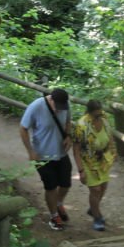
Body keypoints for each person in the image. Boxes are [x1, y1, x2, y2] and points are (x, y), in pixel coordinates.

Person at [20, 88, 73, 231]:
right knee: (51, 187)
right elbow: (23, 128)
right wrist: (30, 151)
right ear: (51, 100)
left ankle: (59, 203)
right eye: (58, 106)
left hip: (61, 153)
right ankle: (54, 216)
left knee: (66, 184)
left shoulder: (66, 105)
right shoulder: (36, 107)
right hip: (42, 156)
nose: (60, 110)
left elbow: (68, 122)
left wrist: (68, 136)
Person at [72, 99, 116, 231]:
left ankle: (93, 208)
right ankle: (97, 217)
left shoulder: (104, 119)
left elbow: (110, 135)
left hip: (103, 160)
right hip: (88, 161)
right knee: (95, 189)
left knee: (103, 187)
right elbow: (76, 149)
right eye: (96, 115)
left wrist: (113, 151)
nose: (99, 117)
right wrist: (81, 170)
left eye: (100, 114)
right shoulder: (81, 126)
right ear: (89, 113)